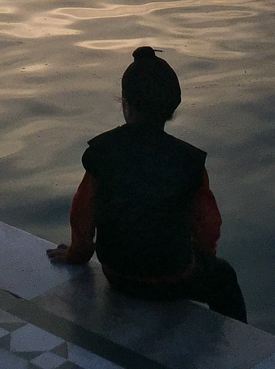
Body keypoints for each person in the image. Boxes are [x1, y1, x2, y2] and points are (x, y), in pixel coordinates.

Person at [47, 46, 247, 323]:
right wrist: (197, 259)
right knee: (225, 277)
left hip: (118, 275)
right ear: (171, 109)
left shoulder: (102, 153)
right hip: (176, 277)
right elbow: (208, 227)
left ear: (125, 105)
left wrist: (74, 255)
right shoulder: (189, 162)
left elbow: (82, 220)